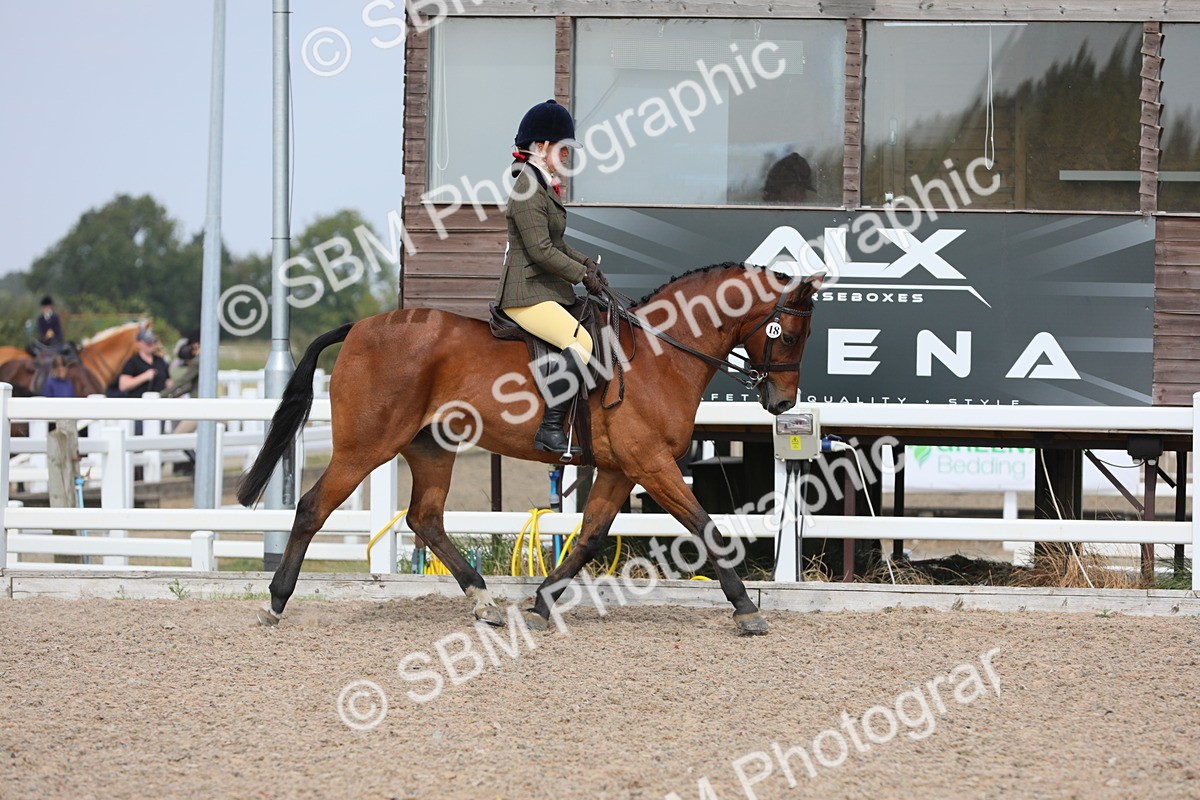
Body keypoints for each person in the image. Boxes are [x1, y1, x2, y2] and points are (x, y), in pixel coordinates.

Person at [494, 99, 606, 456]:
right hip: (525, 293)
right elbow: (541, 251)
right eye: (564, 148)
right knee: (582, 344)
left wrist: (586, 263)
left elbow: (556, 243)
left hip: (544, 288)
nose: (568, 156)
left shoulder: (541, 184)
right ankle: (550, 427)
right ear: (541, 147)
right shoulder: (527, 188)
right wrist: (580, 276)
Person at [118, 329, 172, 398]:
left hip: (159, 402)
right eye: (148, 342)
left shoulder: (160, 361)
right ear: (138, 343)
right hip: (138, 403)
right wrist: (144, 377)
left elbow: (168, 382)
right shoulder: (132, 362)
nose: (151, 344)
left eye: (153, 342)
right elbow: (123, 386)